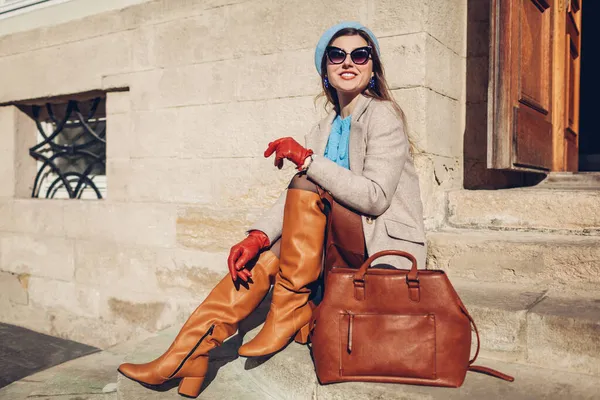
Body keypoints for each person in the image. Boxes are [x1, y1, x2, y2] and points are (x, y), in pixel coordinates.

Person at [117, 21, 426, 398]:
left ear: (372, 67)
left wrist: (308, 161)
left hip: (373, 243)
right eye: (337, 55)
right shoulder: (324, 127)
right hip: (331, 241)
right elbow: (299, 198)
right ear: (325, 71)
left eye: (360, 55)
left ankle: (288, 308)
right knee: (261, 256)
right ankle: (188, 354)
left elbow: (375, 197)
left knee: (306, 182)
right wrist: (257, 236)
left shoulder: (383, 116)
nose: (349, 62)